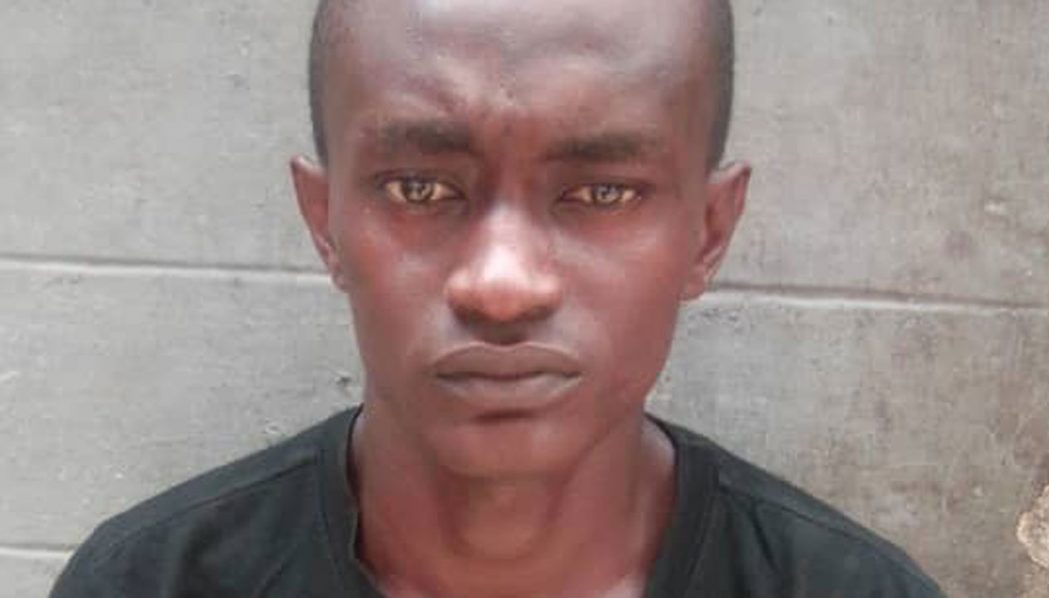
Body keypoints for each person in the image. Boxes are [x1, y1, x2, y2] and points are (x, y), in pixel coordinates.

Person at [51, 0, 943, 596]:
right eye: (419, 188)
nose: (502, 286)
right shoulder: (147, 585)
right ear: (324, 222)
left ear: (709, 232)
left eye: (601, 193)